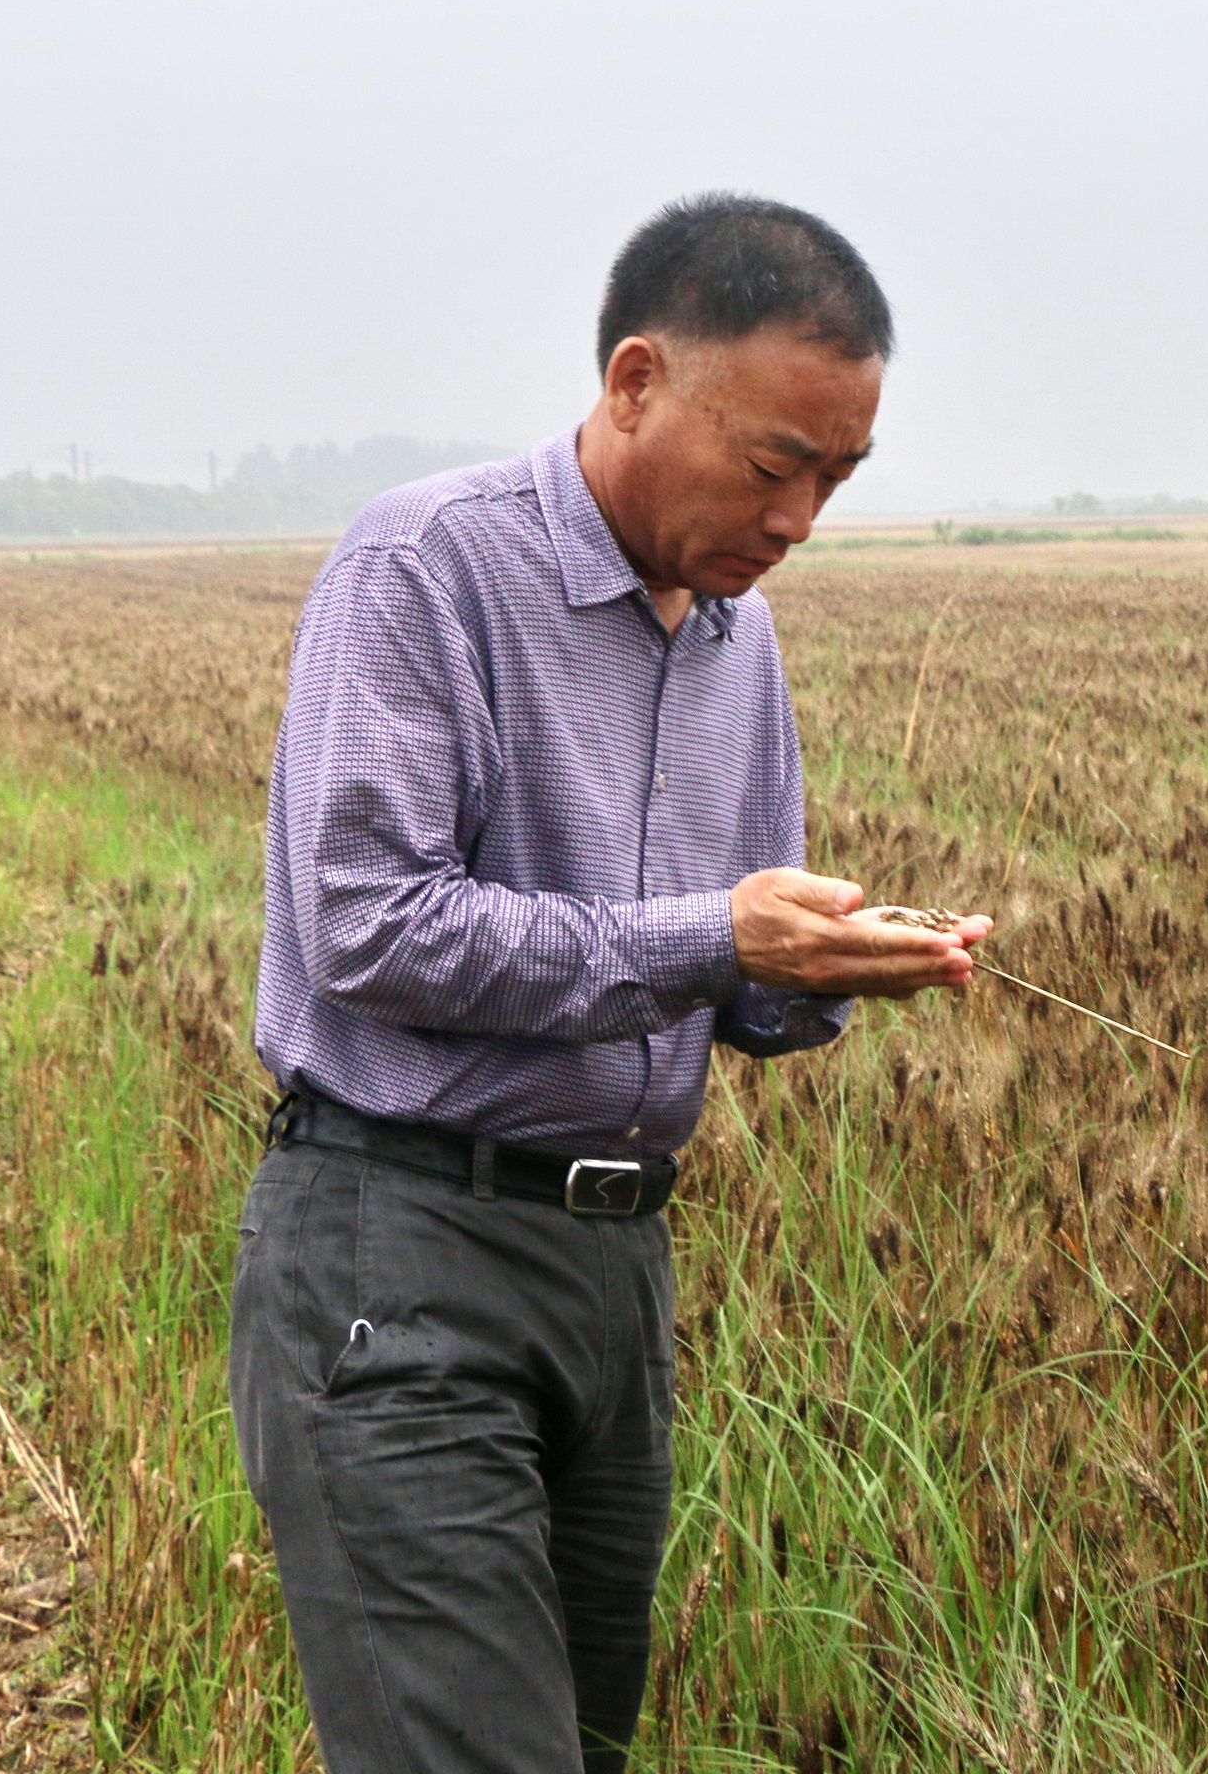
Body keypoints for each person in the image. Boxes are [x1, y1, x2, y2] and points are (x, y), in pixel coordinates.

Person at [228, 193, 989, 1773]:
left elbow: (733, 982)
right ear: (635, 380)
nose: (798, 520)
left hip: (614, 1278)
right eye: (775, 465)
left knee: (573, 1745)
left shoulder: (738, 642)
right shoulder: (428, 569)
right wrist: (718, 938)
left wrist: (834, 965)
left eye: (836, 480)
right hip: (401, 1250)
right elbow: (373, 927)